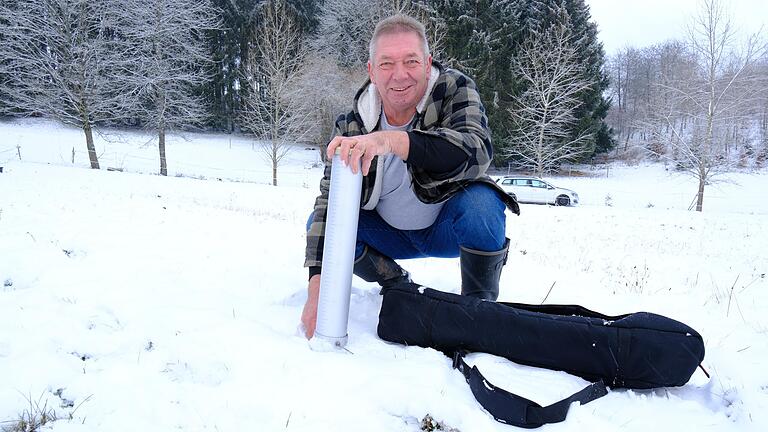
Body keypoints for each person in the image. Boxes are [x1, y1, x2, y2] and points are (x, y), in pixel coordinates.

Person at [301, 14, 519, 338]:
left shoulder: (454, 89)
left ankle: (478, 312)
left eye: (411, 61)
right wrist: (317, 290)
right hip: (388, 234)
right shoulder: (352, 124)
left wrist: (393, 141)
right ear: (371, 71)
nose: (399, 75)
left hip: (448, 227)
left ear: (427, 62)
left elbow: (478, 150)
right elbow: (329, 201)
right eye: (387, 63)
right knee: (325, 223)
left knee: (483, 206)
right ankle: (395, 283)